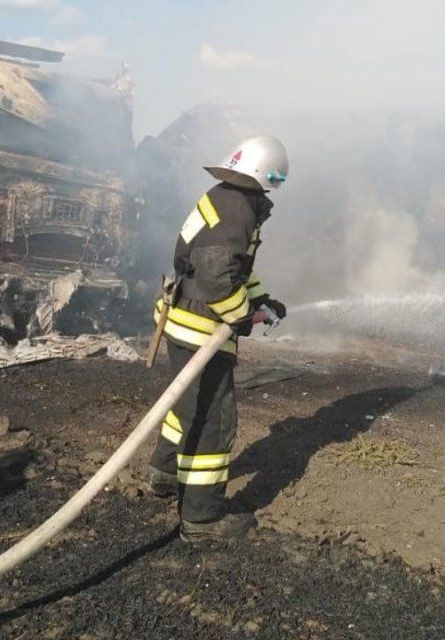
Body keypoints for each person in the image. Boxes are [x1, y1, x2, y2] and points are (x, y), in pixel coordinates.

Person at [147, 135, 289, 542]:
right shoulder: (238, 208)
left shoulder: (224, 198)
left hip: (183, 321)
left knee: (187, 406)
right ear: (268, 174)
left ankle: (165, 473)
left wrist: (260, 297)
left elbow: (232, 267)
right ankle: (203, 518)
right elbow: (216, 277)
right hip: (201, 330)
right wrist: (244, 315)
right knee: (213, 421)